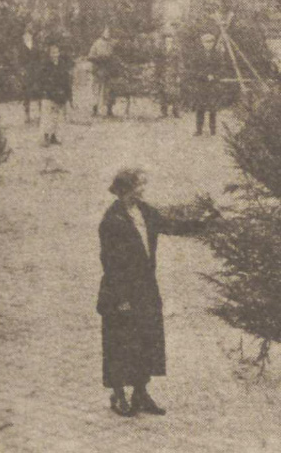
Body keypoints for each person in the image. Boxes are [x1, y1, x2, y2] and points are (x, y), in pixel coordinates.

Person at [96, 168, 213, 417]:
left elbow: (169, 224)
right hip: (121, 292)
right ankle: (118, 395)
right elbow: (110, 263)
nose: (142, 189)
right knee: (120, 343)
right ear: (124, 188)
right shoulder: (111, 221)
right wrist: (121, 300)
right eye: (139, 185)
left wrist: (203, 224)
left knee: (146, 339)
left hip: (146, 287)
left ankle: (140, 393)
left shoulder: (144, 210)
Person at [185, 32, 227, 136]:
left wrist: (214, 76)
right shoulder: (197, 55)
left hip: (213, 85)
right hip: (201, 84)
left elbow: (222, 69)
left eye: (211, 42)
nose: (209, 44)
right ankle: (199, 130)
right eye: (206, 42)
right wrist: (204, 76)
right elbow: (193, 70)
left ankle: (213, 130)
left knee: (213, 108)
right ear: (202, 43)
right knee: (200, 108)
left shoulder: (217, 55)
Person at [37, 39, 73, 146]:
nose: (55, 55)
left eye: (57, 52)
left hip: (60, 95)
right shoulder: (46, 66)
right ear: (49, 54)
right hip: (49, 95)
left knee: (56, 117)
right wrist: (51, 91)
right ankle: (45, 137)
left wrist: (68, 96)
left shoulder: (62, 65)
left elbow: (66, 81)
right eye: (53, 53)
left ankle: (53, 136)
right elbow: (44, 81)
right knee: (48, 117)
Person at [87, 27, 116, 117]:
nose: (107, 34)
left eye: (109, 32)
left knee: (109, 91)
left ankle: (109, 110)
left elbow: (116, 56)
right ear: (102, 33)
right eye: (106, 32)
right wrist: (99, 59)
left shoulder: (113, 44)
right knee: (96, 90)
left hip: (108, 71)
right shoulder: (97, 43)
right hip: (98, 70)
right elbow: (90, 56)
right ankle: (94, 110)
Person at [155, 34, 182, 118]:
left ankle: (176, 112)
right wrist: (157, 74)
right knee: (162, 93)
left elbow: (180, 63)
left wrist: (179, 75)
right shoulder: (161, 50)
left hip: (173, 74)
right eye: (167, 41)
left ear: (172, 41)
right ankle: (164, 112)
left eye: (170, 41)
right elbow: (157, 63)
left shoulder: (176, 50)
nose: (168, 42)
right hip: (162, 74)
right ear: (165, 41)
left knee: (175, 94)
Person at [18, 26, 40, 124]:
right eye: (25, 35)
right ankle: (27, 115)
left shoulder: (36, 47)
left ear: (31, 36)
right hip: (26, 72)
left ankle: (40, 113)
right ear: (23, 37)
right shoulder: (21, 48)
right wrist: (22, 70)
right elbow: (19, 61)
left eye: (29, 35)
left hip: (35, 71)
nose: (27, 36)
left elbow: (39, 58)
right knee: (26, 93)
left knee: (38, 91)